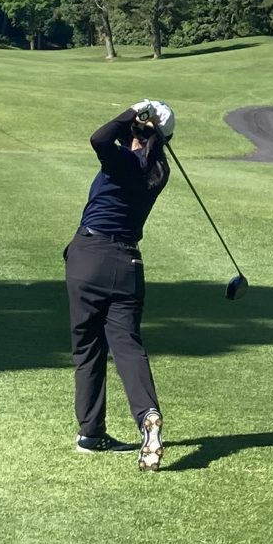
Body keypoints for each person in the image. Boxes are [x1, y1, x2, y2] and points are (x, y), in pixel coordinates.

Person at [65, 99, 173, 470]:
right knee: (127, 346)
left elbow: (99, 138)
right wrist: (146, 125)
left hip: (89, 257)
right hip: (128, 264)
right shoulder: (159, 171)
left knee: (88, 348)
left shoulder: (122, 161)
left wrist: (131, 111)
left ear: (136, 133)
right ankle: (147, 414)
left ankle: (91, 432)